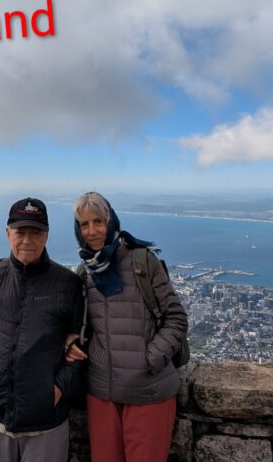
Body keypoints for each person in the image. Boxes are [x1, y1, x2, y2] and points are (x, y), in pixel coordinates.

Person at [0, 197, 85, 462]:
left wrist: (58, 389)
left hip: (46, 422)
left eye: (36, 232)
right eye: (20, 232)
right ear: (8, 234)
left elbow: (81, 346)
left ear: (47, 236)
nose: (27, 240)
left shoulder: (68, 284)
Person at [65, 191, 188, 462]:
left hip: (147, 391)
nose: (92, 231)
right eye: (84, 225)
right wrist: (71, 341)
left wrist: (149, 359)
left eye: (98, 221)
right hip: (101, 394)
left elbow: (176, 319)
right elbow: (83, 324)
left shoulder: (142, 261)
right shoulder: (86, 271)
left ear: (111, 222)